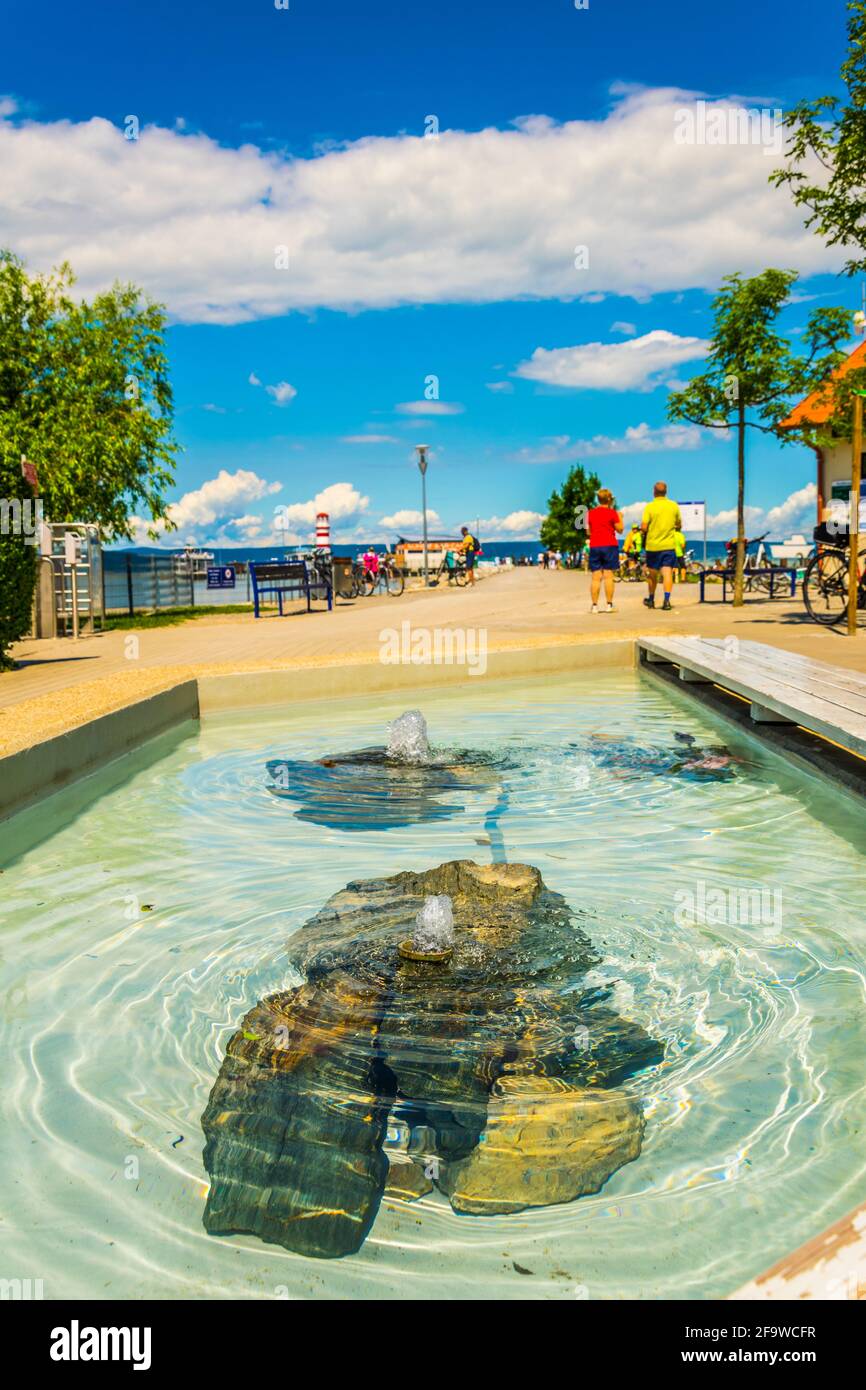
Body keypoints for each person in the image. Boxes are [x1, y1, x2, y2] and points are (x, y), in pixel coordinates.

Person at [641, 481, 682, 611]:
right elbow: (679, 524)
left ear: (654, 492)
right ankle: (667, 601)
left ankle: (651, 600)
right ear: (666, 492)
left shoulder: (649, 507)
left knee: (652, 575)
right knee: (667, 573)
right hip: (669, 545)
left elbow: (644, 527)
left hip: (653, 546)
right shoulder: (673, 506)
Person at [586, 487, 623, 613]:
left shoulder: (590, 513)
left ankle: (595, 606)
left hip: (595, 545)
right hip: (609, 545)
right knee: (608, 576)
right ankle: (609, 605)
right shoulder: (612, 513)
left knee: (596, 577)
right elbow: (620, 529)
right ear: (609, 499)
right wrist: (620, 517)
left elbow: (588, 531)